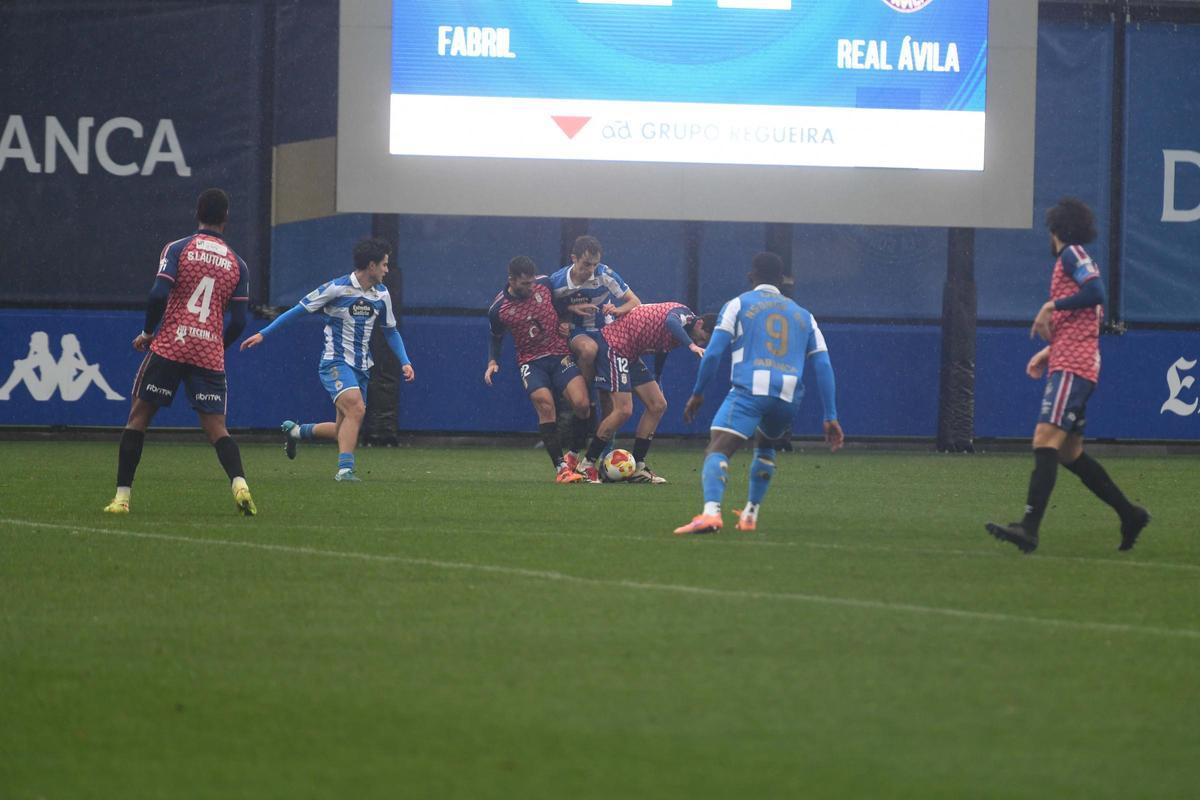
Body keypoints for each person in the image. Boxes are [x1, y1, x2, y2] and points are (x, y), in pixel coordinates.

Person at [985, 198, 1150, 553]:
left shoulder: (1071, 255)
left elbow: (1096, 293)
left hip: (1074, 367)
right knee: (1069, 452)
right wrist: (1049, 350)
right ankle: (1129, 513)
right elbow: (1085, 318)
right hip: (1072, 360)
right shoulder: (1072, 258)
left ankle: (1028, 527)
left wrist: (1050, 306)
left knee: (1045, 439)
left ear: (1056, 230)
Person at [103, 188, 255, 515]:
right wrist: (216, 342)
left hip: (173, 343)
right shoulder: (237, 264)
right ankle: (240, 484)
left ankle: (122, 498)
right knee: (217, 427)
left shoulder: (179, 248)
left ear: (197, 212)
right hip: (207, 352)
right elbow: (241, 320)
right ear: (226, 218)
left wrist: (148, 332)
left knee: (138, 418)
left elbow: (159, 293)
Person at [674, 252, 843, 535]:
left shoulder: (738, 304)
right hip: (788, 396)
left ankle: (711, 513)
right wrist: (831, 415)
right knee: (765, 447)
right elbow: (823, 364)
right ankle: (750, 515)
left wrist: (698, 392)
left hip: (750, 389)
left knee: (718, 448)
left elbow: (714, 352)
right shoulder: (804, 315)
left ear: (751, 277)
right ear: (782, 281)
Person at [240, 238, 414, 482]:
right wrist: (263, 334)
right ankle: (345, 470)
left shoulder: (381, 294)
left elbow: (390, 330)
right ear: (372, 266)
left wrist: (404, 361)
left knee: (343, 428)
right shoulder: (336, 288)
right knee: (357, 408)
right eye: (385, 265)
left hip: (363, 366)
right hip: (335, 362)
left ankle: (296, 432)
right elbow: (297, 310)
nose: (387, 270)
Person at [575, 302, 715, 484]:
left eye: (704, 343)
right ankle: (587, 465)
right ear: (699, 323)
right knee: (623, 410)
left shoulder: (684, 334)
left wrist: (657, 378)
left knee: (658, 405)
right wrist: (691, 346)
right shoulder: (685, 315)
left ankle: (638, 467)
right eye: (703, 338)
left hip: (629, 354)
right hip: (614, 347)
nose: (701, 343)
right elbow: (671, 322)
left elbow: (662, 349)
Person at [484, 256, 591, 484]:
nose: (531, 287)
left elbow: (559, 304)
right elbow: (495, 336)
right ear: (511, 280)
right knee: (545, 404)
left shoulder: (545, 283)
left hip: (559, 355)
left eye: (532, 283)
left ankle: (572, 456)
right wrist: (493, 362)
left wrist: (565, 320)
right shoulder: (498, 308)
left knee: (582, 405)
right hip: (531, 362)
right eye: (525, 284)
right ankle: (560, 468)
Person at [549, 235, 641, 403]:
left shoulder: (605, 274)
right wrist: (567, 313)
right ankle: (585, 400)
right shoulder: (557, 282)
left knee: (607, 392)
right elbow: (546, 310)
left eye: (595, 264)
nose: (591, 269)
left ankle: (602, 421)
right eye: (586, 264)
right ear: (574, 258)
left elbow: (635, 301)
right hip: (577, 330)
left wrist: (617, 309)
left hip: (606, 331)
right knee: (589, 349)